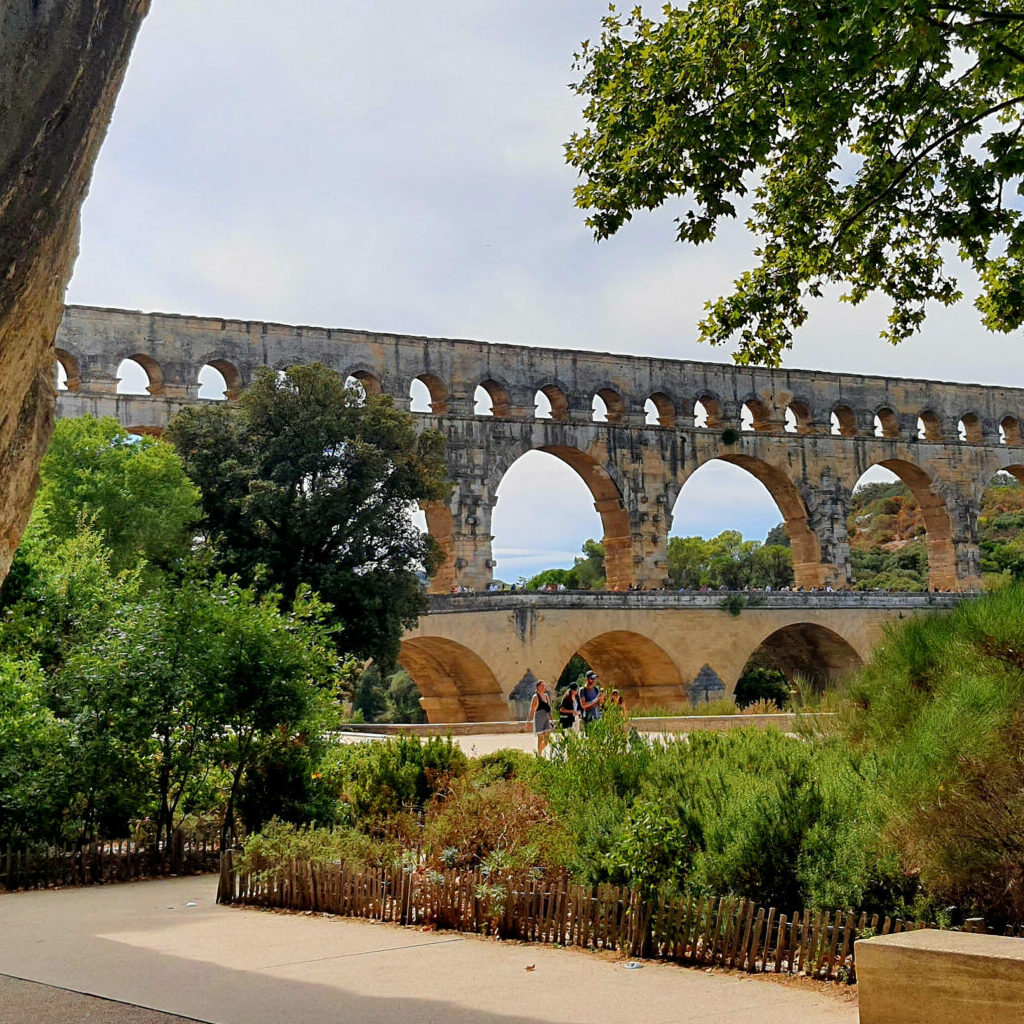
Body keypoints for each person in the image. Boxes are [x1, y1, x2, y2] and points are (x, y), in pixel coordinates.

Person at [527, 679, 554, 756]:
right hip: (539, 717)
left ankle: (539, 752)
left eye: (544, 686)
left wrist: (552, 719)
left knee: (547, 739)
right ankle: (539, 755)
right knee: (540, 738)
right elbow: (532, 709)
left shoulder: (546, 696)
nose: (544, 687)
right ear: (538, 687)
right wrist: (529, 721)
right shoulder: (535, 697)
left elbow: (549, 709)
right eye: (542, 685)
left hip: (546, 718)